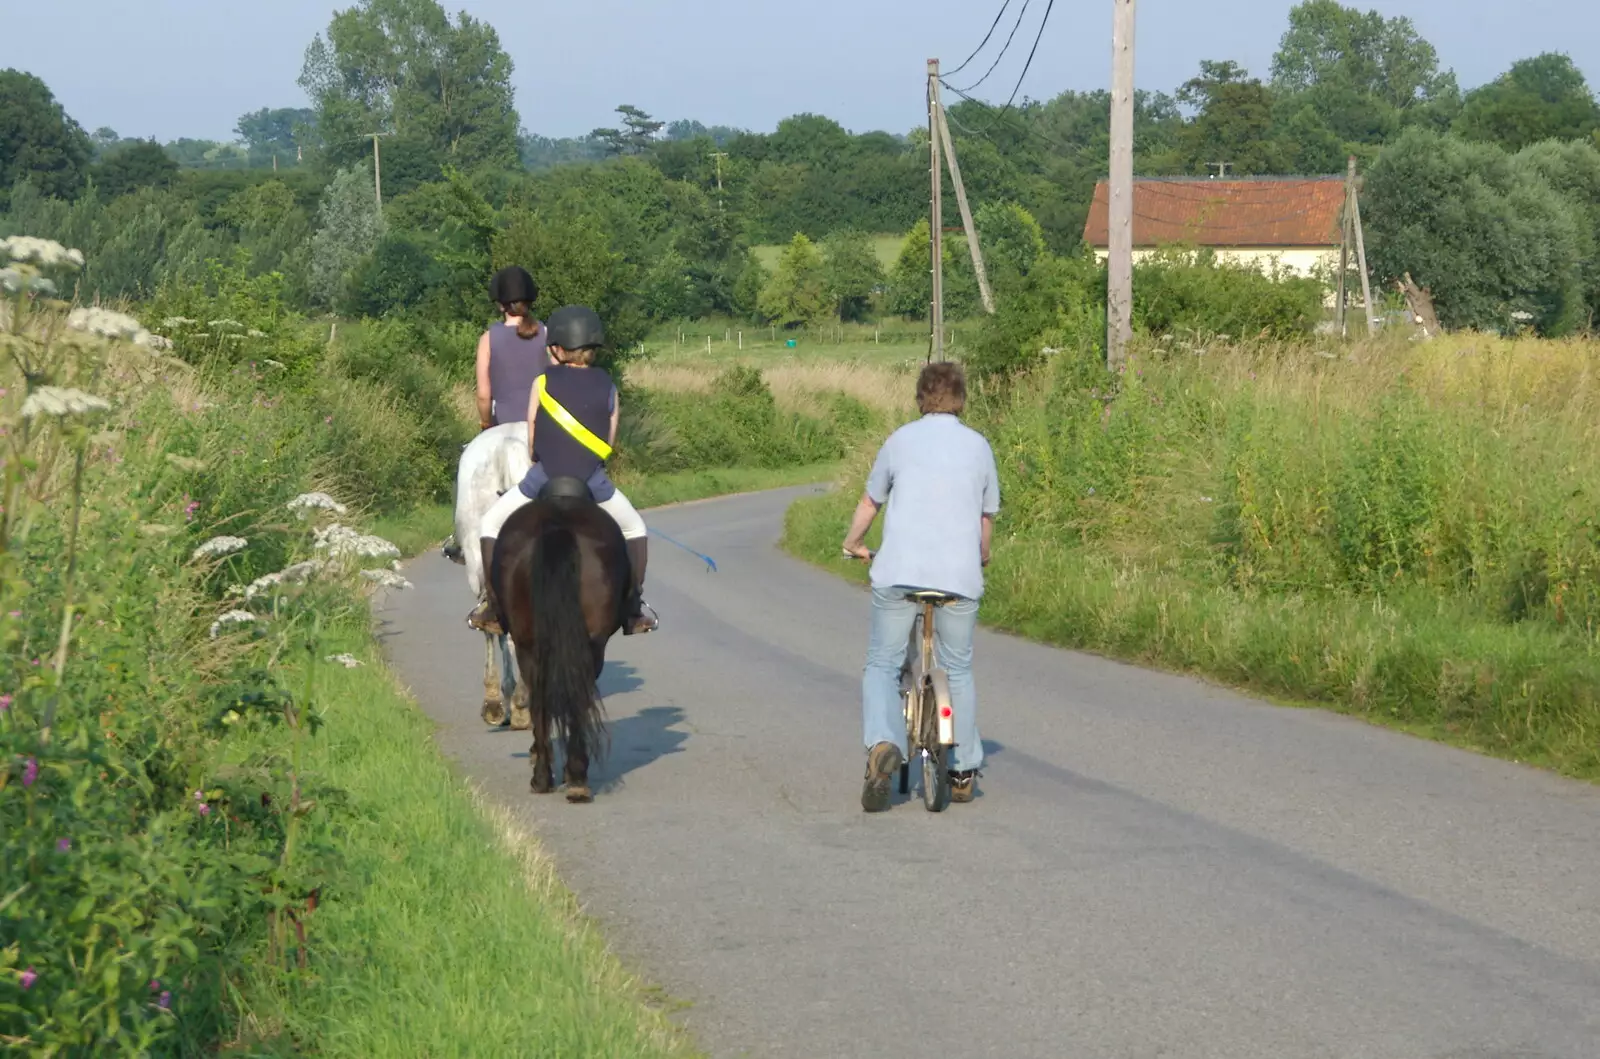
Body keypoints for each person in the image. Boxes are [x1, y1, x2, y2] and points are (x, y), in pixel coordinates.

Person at [842, 361, 999, 812]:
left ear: (920, 398)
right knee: (959, 668)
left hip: (898, 575)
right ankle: (964, 768)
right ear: (961, 399)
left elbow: (871, 501)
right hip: (959, 579)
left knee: (883, 664)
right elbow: (985, 518)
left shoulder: (899, 441)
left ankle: (883, 743)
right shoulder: (978, 446)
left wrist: (854, 543)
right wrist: (981, 555)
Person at [469, 305, 659, 637]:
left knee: (490, 524)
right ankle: (634, 609)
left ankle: (494, 608)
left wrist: (542, 459)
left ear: (556, 347)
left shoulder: (541, 382)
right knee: (635, 529)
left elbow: (531, 437)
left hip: (543, 478)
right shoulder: (609, 386)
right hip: (591, 481)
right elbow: (608, 444)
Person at [476, 265, 550, 431]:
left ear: (501, 305)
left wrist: (486, 424)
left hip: (502, 424)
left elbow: (483, 395)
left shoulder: (487, 339)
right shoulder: (545, 333)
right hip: (540, 426)